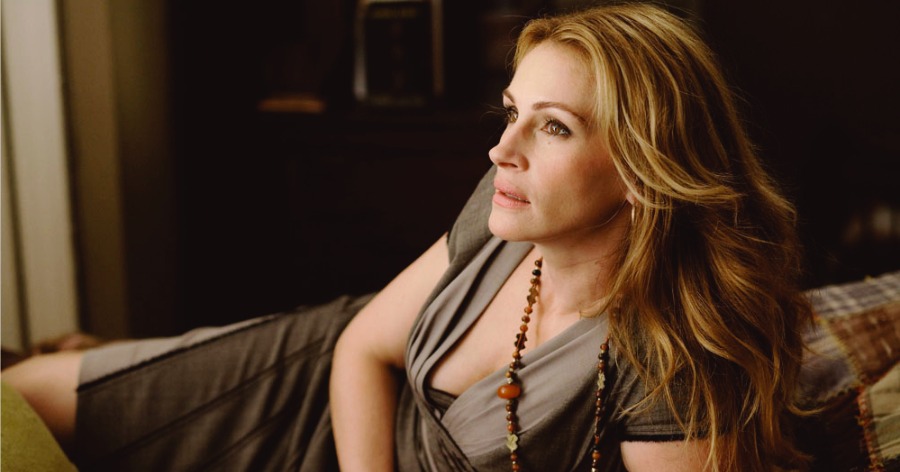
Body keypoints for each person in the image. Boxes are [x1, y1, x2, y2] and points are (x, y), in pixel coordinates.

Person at [5, 3, 811, 471]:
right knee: (25, 397)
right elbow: (361, 346)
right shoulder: (508, 209)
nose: (502, 149)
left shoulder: (673, 364)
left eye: (554, 126)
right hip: (309, 385)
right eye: (512, 112)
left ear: (642, 170)